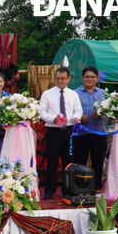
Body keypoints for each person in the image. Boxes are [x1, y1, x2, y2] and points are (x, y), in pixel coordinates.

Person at [39, 67, 82, 200]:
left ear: (68, 79)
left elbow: (78, 110)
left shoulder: (73, 94)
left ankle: (67, 189)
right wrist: (53, 119)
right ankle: (49, 189)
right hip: (53, 130)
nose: (60, 81)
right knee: (51, 161)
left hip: (69, 131)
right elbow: (42, 112)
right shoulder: (47, 94)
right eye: (58, 78)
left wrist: (76, 118)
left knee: (68, 162)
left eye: (63, 78)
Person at [73, 67, 107, 194]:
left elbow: (110, 112)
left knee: (98, 160)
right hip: (81, 132)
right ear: (82, 78)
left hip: (99, 131)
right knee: (80, 161)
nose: (90, 79)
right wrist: (80, 117)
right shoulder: (75, 94)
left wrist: (101, 114)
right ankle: (80, 187)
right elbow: (70, 111)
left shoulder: (103, 94)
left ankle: (97, 186)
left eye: (92, 77)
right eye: (87, 77)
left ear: (97, 79)